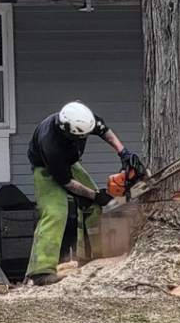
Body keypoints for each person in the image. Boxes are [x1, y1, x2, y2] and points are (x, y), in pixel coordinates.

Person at [26, 101, 138, 286]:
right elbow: (67, 182)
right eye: (80, 134)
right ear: (66, 130)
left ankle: (92, 258)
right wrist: (96, 195)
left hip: (70, 164)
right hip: (46, 170)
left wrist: (123, 153)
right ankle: (42, 272)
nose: (85, 136)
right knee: (55, 214)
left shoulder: (83, 119)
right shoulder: (51, 143)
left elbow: (104, 131)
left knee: (93, 208)